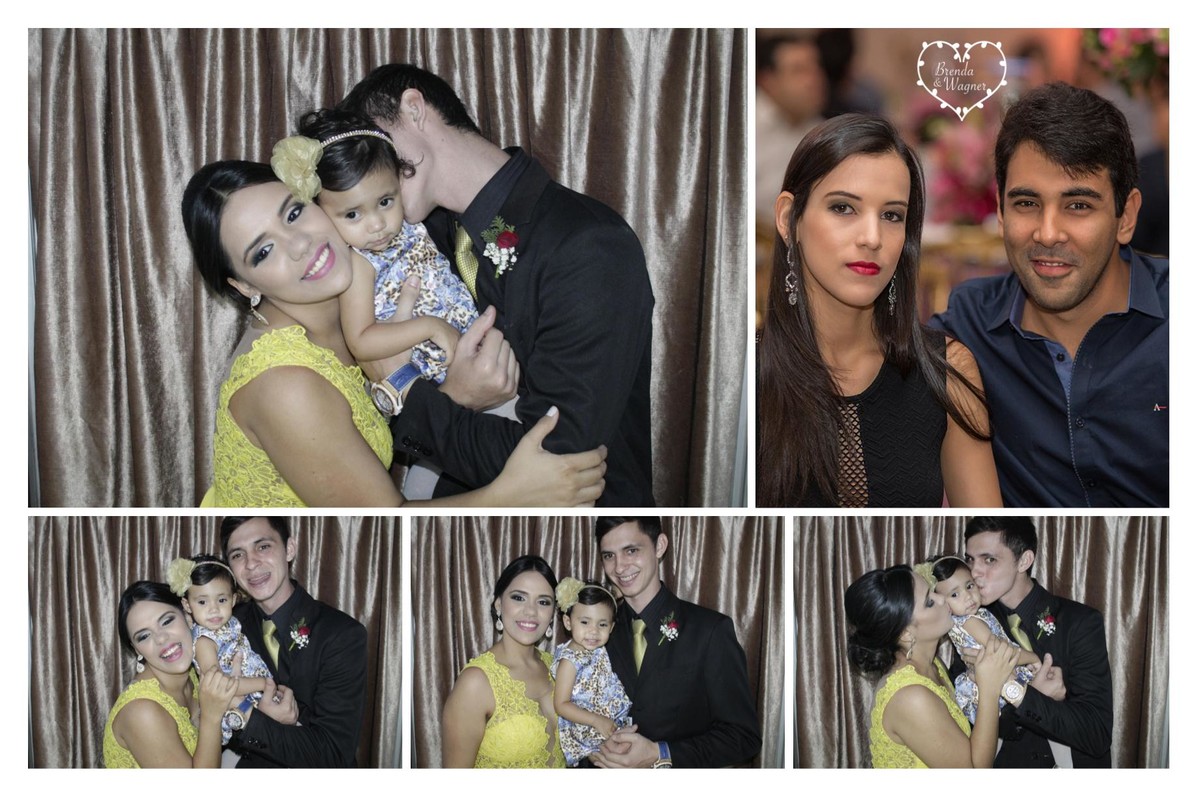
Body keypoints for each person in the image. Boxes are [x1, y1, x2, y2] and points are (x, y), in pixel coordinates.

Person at [183, 159, 607, 507]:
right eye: (263, 251)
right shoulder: (285, 385)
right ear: (244, 286)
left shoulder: (364, 290)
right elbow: (384, 519)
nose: (300, 245)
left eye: (293, 213)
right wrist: (513, 495)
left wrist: (452, 395)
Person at [338, 64, 655, 506]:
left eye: (375, 146)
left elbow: (555, 461)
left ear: (414, 110)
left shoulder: (590, 243)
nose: (369, 171)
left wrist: (403, 389)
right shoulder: (411, 239)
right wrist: (452, 396)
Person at [930, 82, 1168, 507]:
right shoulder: (968, 328)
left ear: (1126, 216)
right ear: (1000, 211)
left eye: (1078, 205)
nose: (1048, 233)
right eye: (1026, 203)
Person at [757, 114, 1001, 507]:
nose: (872, 238)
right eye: (843, 208)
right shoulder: (741, 376)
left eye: (892, 216)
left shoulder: (946, 371)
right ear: (789, 219)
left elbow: (987, 527)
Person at [592, 517, 761, 768]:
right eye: (609, 556)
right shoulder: (598, 633)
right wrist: (592, 753)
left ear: (660, 546)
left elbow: (743, 737)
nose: (619, 567)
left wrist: (660, 753)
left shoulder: (710, 631)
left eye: (631, 550)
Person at [964, 516, 1114, 767]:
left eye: (989, 560)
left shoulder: (1081, 622)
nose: (974, 572)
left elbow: (1096, 733)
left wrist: (1025, 697)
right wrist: (1031, 696)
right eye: (970, 559)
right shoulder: (971, 625)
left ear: (1024, 561)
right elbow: (966, 721)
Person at [218, 516, 367, 767]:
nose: (251, 564)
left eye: (263, 546)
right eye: (238, 555)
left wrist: (249, 716)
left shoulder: (342, 634)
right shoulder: (227, 627)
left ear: (289, 549)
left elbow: (333, 753)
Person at [844, 565, 1019, 768]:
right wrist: (989, 688)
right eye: (929, 602)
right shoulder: (911, 697)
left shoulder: (932, 664)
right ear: (906, 634)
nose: (942, 599)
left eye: (932, 590)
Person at [441, 555, 566, 768]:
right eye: (519, 598)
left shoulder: (558, 667)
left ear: (552, 614)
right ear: (499, 604)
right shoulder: (476, 682)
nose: (531, 611)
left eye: (543, 602)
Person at [103, 581, 240, 768]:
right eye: (144, 636)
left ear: (187, 616)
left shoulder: (194, 673)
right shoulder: (142, 712)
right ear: (137, 650)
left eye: (167, 621)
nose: (161, 638)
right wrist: (211, 716)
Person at [919, 555, 1040, 725]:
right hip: (996, 680)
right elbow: (1000, 652)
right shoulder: (970, 622)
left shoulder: (973, 616)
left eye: (969, 586)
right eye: (955, 594)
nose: (968, 596)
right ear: (942, 603)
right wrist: (1032, 657)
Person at [166, 553, 273, 745]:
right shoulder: (205, 642)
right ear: (187, 605)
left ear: (233, 599)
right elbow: (220, 688)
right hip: (238, 705)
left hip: (255, 692)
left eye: (221, 600)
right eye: (202, 602)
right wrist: (264, 683)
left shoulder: (230, 623)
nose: (214, 609)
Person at [551, 576, 633, 767]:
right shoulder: (569, 661)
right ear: (568, 622)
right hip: (585, 726)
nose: (593, 631)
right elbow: (561, 704)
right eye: (585, 622)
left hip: (608, 719)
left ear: (611, 627)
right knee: (616, 758)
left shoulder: (598, 649)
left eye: (602, 624)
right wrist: (597, 721)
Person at [755, 33, 827, 229]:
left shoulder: (822, 131)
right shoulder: (742, 126)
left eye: (816, 68)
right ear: (768, 80)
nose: (814, 79)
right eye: (799, 70)